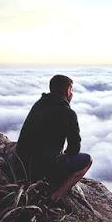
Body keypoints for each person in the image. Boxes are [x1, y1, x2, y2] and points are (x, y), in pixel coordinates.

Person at [16, 74, 92, 202]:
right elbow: (75, 148)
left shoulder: (39, 104)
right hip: (43, 170)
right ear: (67, 91)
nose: (72, 94)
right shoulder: (68, 113)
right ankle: (55, 196)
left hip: (22, 166)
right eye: (71, 90)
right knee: (87, 160)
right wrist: (62, 155)